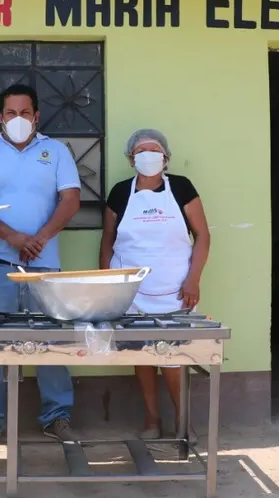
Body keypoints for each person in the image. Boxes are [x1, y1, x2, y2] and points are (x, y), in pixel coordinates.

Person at [0, 83, 81, 445]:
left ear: (36, 116)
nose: (18, 119)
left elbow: (71, 200)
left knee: (52, 342)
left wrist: (39, 238)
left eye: (24, 113)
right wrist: (13, 237)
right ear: (0, 117)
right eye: (11, 113)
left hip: (45, 267)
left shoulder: (55, 151)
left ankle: (57, 417)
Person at [98, 129, 210, 440]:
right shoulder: (121, 192)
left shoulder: (182, 188)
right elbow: (107, 240)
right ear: (131, 159)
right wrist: (108, 285)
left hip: (175, 291)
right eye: (140, 151)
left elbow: (202, 235)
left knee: (173, 358)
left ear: (166, 157)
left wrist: (194, 279)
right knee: (142, 355)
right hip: (130, 291)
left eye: (154, 150)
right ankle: (151, 420)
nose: (148, 155)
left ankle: (183, 422)